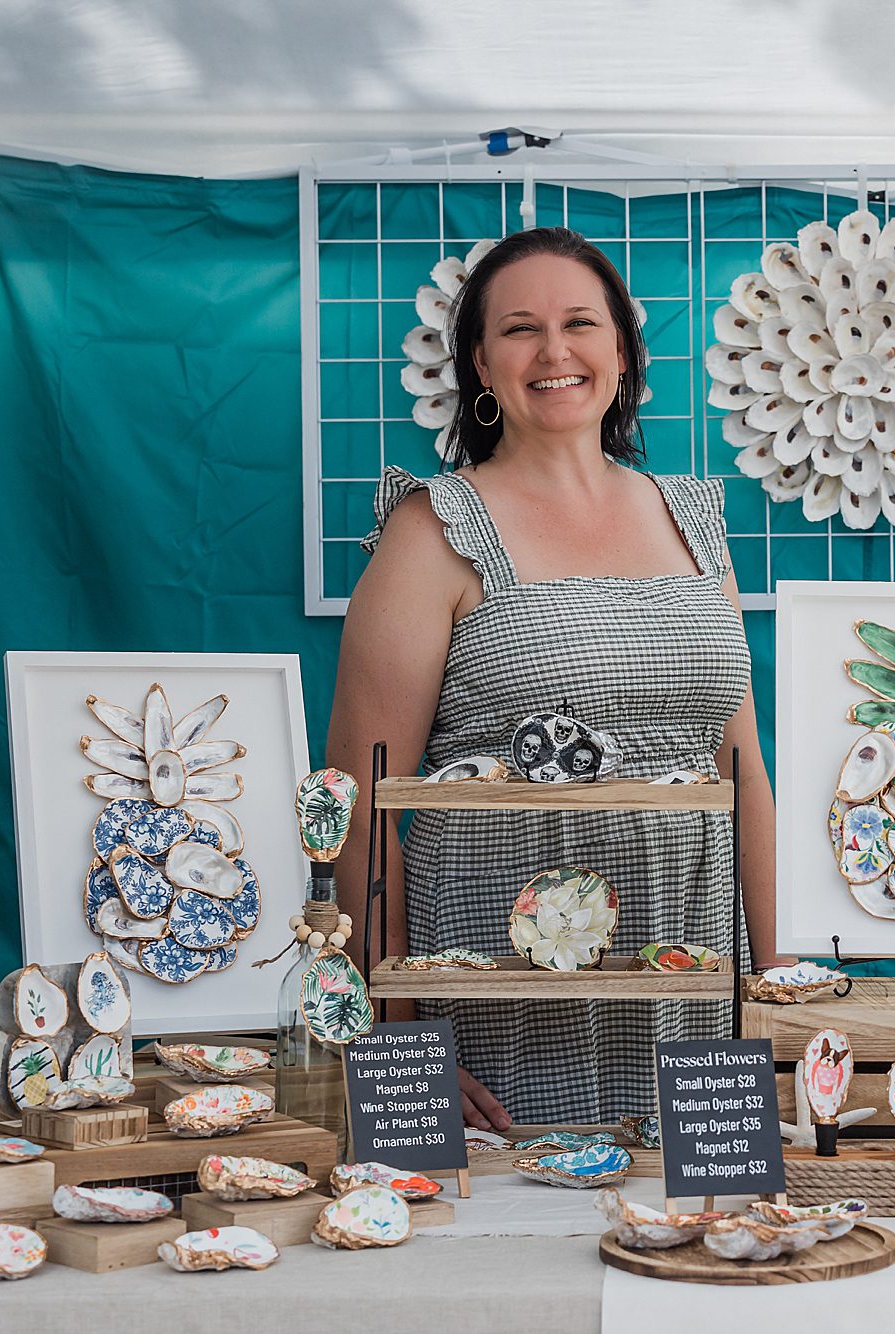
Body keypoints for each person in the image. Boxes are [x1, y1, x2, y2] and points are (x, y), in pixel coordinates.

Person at [326, 227, 778, 1131]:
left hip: (695, 994)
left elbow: (744, 779)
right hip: (503, 1004)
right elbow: (355, 810)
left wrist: (771, 997)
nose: (554, 351)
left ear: (621, 351)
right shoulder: (432, 532)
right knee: (509, 1256)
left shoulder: (694, 520)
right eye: (520, 329)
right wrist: (402, 1040)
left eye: (580, 323)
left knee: (703, 1250)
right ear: (482, 366)